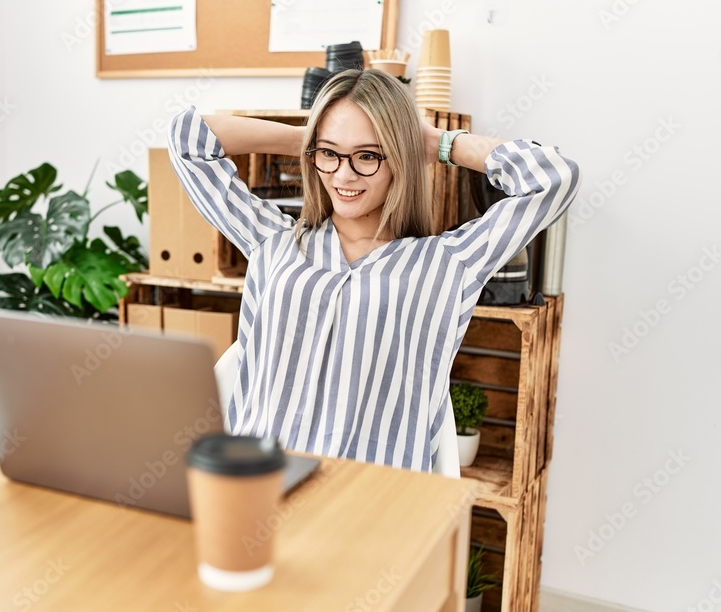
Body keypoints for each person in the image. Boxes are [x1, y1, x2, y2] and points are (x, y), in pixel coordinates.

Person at [167, 68, 580, 472]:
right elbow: (188, 138)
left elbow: (554, 176)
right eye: (329, 155)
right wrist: (311, 137)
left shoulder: (449, 262)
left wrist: (436, 142)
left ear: (399, 157)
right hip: (257, 486)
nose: (343, 175)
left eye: (367, 155)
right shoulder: (272, 240)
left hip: (372, 505)